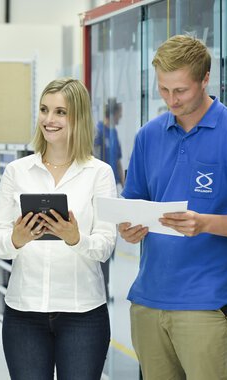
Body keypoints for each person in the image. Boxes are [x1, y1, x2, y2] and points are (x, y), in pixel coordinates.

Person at [119, 34, 227, 380]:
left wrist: (204, 223)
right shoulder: (148, 136)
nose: (171, 100)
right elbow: (132, 202)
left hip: (206, 304)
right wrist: (126, 227)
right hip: (148, 301)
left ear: (205, 79)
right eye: (163, 90)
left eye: (181, 91)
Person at [0, 78, 116, 379]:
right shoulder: (17, 172)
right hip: (24, 313)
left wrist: (76, 239)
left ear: (78, 117)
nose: (49, 119)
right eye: (44, 110)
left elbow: (106, 245)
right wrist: (16, 240)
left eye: (60, 112)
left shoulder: (99, 173)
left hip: (83, 314)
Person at [93, 97, 124, 302]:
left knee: (109, 241)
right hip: (97, 194)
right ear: (113, 113)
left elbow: (118, 161)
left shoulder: (113, 133)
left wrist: (123, 186)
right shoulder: (97, 132)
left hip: (111, 192)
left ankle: (106, 287)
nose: (121, 117)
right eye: (120, 113)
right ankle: (100, 288)